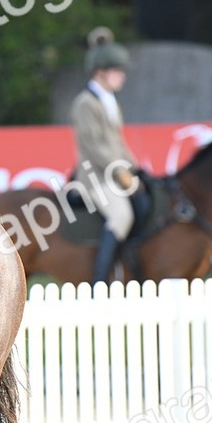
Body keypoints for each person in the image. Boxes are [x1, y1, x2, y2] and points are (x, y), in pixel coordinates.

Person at [70, 26, 140, 286]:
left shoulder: (110, 101)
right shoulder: (85, 104)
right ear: (101, 72)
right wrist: (119, 171)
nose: (122, 76)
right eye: (117, 71)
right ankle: (99, 281)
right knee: (122, 216)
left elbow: (117, 141)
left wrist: (135, 168)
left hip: (114, 172)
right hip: (95, 177)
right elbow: (93, 146)